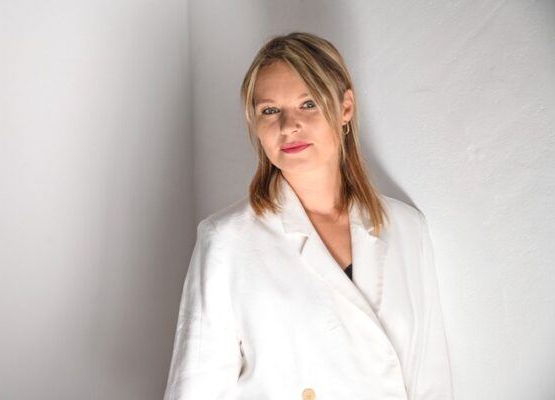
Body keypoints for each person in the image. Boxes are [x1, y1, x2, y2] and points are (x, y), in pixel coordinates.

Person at [163, 32, 453, 400]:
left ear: (345, 107)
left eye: (308, 104)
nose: (288, 126)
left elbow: (431, 380)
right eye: (270, 110)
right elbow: (196, 389)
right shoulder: (226, 240)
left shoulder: (406, 228)